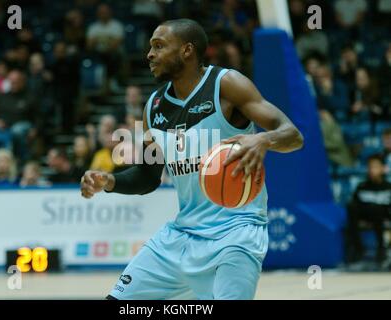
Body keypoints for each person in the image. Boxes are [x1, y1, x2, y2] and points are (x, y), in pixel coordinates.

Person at [80, 19, 304, 300]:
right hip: (182, 234)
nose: (149, 54)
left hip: (236, 233)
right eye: (150, 47)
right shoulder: (154, 106)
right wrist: (110, 181)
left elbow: (293, 135)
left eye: (158, 46)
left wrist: (262, 139)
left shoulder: (227, 85)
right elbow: (147, 177)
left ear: (187, 50)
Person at [345, 154, 391, 265]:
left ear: (383, 168)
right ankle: (358, 249)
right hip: (366, 215)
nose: (372, 170)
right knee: (351, 208)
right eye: (370, 167)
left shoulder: (388, 187)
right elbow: (355, 204)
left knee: (377, 210)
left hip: (383, 216)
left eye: (375, 167)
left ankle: (382, 250)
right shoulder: (362, 186)